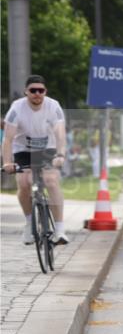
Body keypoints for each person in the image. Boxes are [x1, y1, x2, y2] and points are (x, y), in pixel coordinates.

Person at [1, 75, 70, 245]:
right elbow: (8, 139)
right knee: (24, 182)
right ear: (26, 92)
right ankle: (29, 223)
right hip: (23, 149)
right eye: (33, 90)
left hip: (47, 149)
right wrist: (7, 163)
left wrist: (61, 155)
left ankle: (60, 230)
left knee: (51, 181)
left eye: (41, 90)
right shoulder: (17, 108)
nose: (37, 94)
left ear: (45, 92)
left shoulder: (53, 106)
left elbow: (60, 134)